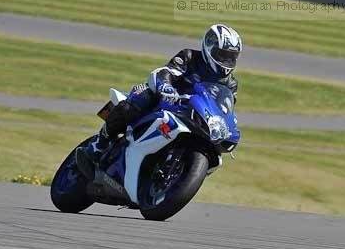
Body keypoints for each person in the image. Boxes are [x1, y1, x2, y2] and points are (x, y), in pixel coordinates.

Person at [76, 24, 242, 178]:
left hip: (195, 115)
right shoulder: (190, 57)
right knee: (137, 101)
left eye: (231, 56)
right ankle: (99, 145)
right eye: (222, 55)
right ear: (209, 48)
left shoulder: (231, 83)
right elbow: (166, 72)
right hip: (168, 99)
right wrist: (166, 87)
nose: (226, 61)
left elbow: (225, 107)